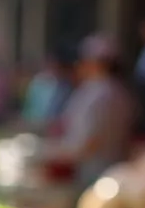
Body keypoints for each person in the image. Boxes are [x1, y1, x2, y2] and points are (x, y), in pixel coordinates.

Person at [52, 34, 136, 189]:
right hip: (112, 169)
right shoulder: (119, 92)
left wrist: (58, 156)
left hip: (93, 172)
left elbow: (90, 141)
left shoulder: (99, 94)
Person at [21, 51, 74, 129]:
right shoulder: (37, 82)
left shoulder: (64, 85)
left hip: (53, 125)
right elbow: (29, 106)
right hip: (35, 122)